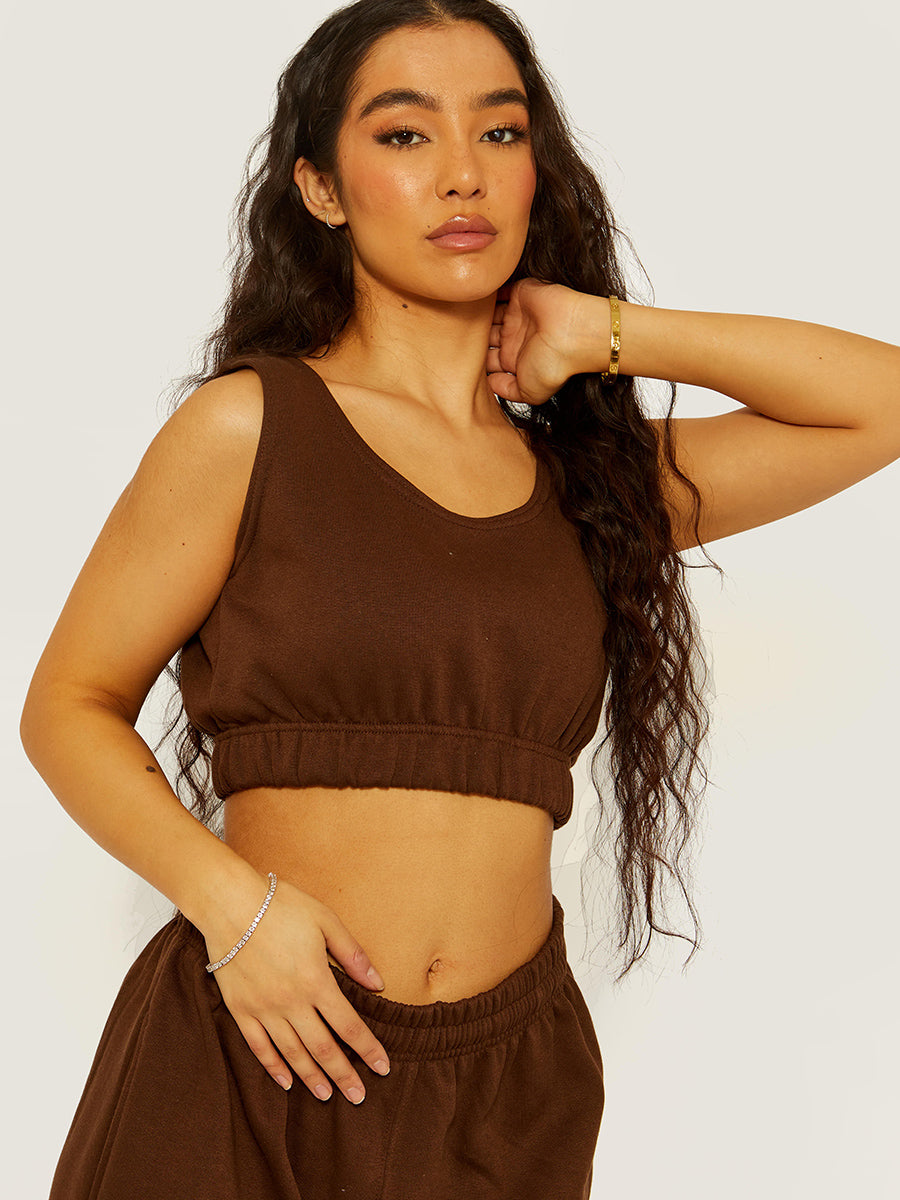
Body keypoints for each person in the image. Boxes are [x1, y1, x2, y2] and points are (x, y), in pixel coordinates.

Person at [20, 1, 900, 1197]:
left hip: (508, 1092)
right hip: (259, 1044)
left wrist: (604, 332)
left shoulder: (593, 487)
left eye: (500, 131)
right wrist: (233, 909)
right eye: (403, 135)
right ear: (320, 188)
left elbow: (877, 405)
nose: (461, 174)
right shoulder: (251, 427)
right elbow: (69, 704)